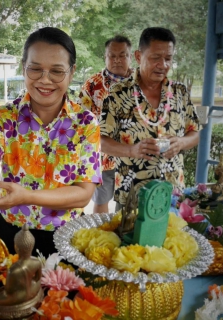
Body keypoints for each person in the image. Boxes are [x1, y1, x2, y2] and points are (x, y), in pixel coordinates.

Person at [0, 27, 102, 257]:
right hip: (8, 231)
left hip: (67, 236)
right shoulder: (3, 117)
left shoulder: (85, 123)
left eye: (56, 71)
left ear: (72, 72)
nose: (45, 80)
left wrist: (27, 196)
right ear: (23, 67)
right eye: (35, 69)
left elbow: (84, 193)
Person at [100, 27, 202, 210]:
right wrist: (132, 150)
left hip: (173, 196)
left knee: (174, 239)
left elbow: (195, 133)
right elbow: (100, 140)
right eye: (155, 58)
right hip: (131, 197)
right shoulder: (118, 94)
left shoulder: (180, 92)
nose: (163, 65)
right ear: (139, 57)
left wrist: (181, 142)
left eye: (168, 58)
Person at [79, 35, 133, 214]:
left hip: (133, 158)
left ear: (131, 57)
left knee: (128, 205)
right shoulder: (92, 85)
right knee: (101, 202)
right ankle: (100, 239)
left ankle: (123, 240)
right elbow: (81, 121)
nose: (117, 60)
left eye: (122, 55)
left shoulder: (141, 83)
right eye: (112, 55)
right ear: (105, 57)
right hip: (102, 158)